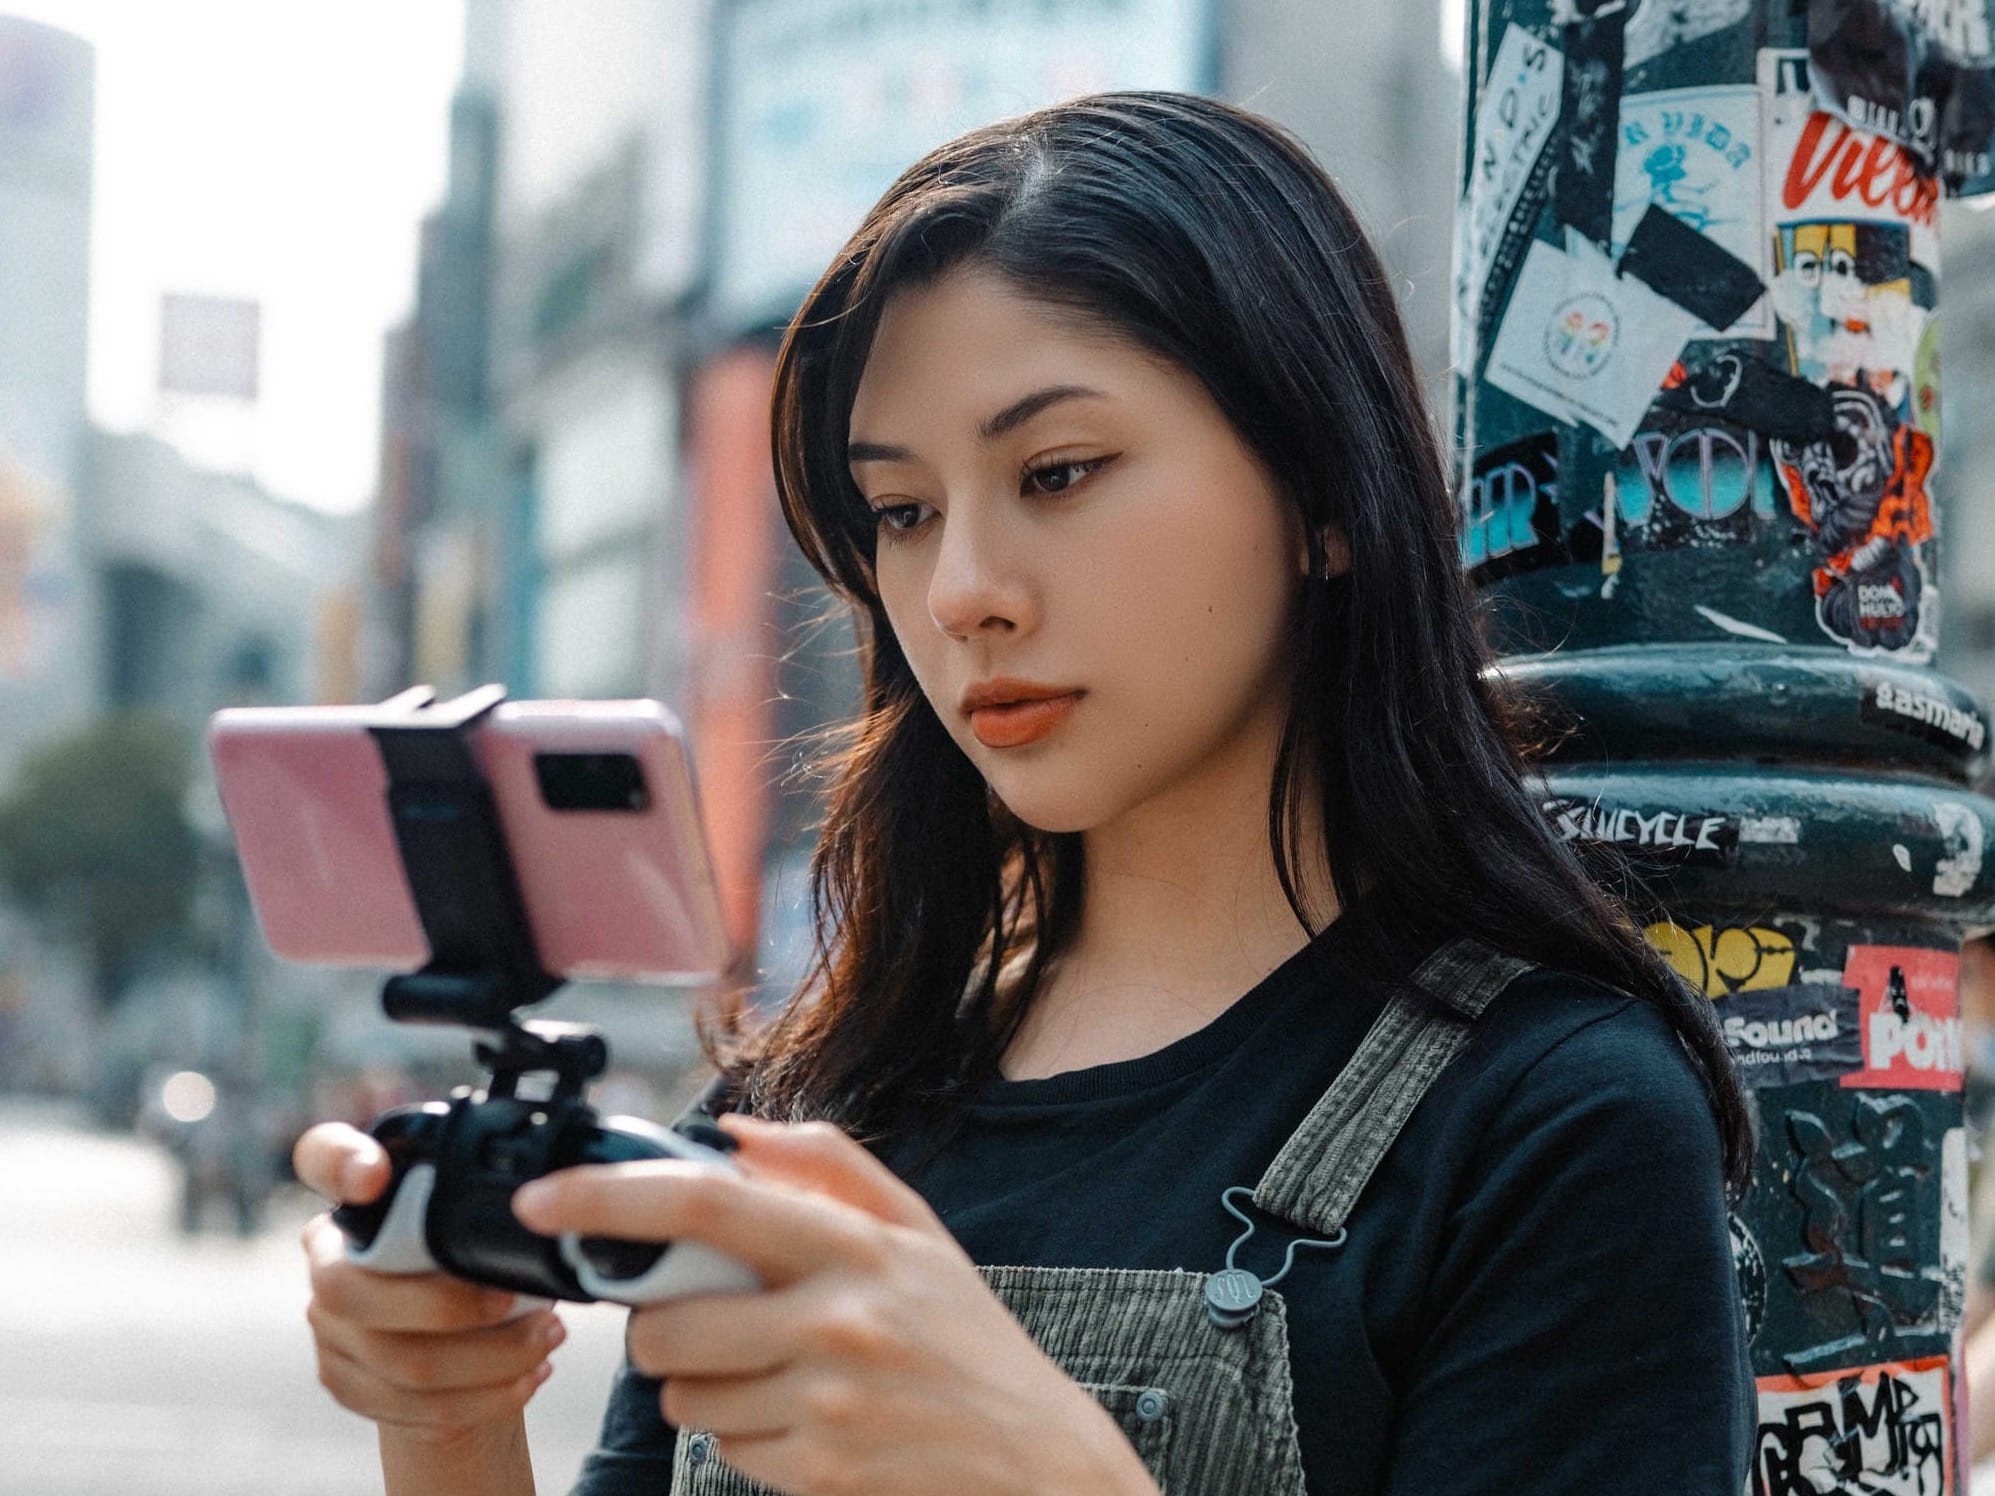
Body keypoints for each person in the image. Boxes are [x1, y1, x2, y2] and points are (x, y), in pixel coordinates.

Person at [292, 92, 1756, 1495]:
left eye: (1057, 472)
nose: (965, 594)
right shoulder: (816, 1102)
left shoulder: (1553, 1122)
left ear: (1320, 492)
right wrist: (447, 1421)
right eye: (905, 513)